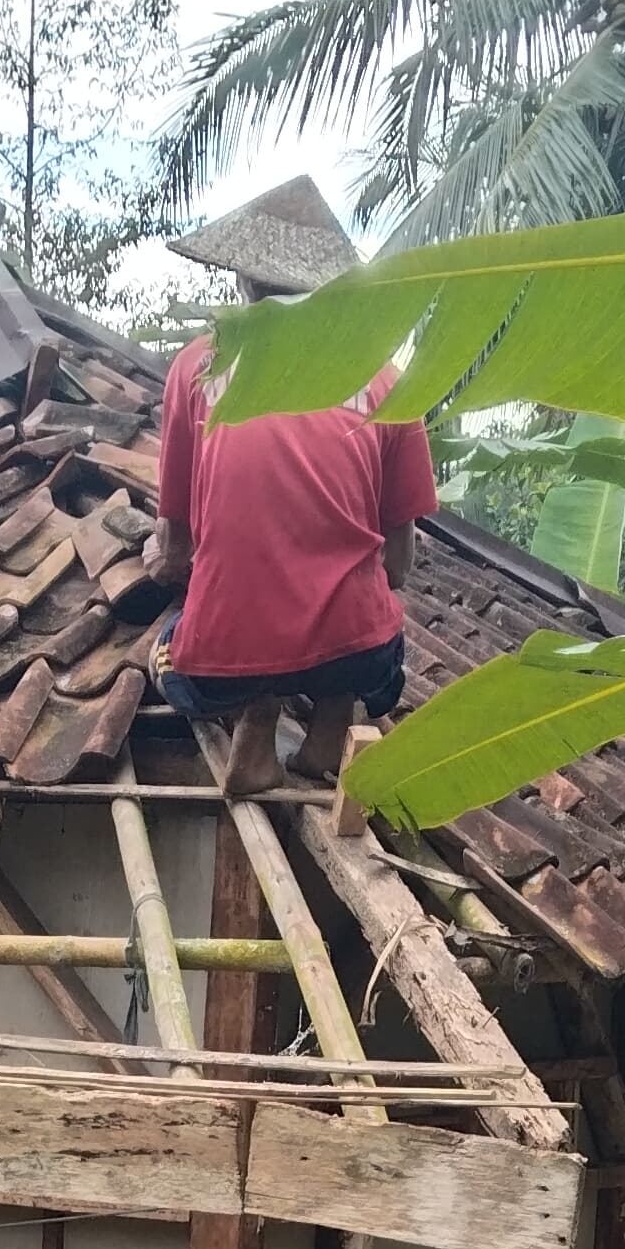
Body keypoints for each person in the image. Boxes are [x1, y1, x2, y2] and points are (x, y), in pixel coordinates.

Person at [152, 177, 438, 798]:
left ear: (245, 282)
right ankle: (330, 724)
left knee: (167, 652)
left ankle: (258, 715)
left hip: (227, 660)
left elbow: (175, 552)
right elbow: (399, 567)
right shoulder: (385, 380)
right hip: (356, 652)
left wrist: (168, 566)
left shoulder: (198, 364)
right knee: (377, 651)